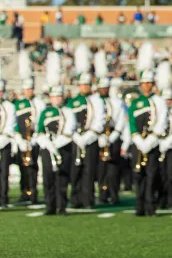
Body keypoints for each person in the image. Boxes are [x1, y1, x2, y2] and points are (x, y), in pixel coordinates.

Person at [128, 70, 168, 216]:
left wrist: (151, 140)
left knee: (151, 175)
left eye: (149, 83)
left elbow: (162, 122)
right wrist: (138, 139)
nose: (146, 85)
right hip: (137, 143)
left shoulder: (159, 101)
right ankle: (139, 206)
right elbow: (131, 122)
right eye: (144, 83)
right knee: (138, 175)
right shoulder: (135, 102)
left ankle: (151, 206)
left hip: (152, 142)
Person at [36, 85, 76, 215]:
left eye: (58, 96)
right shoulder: (45, 112)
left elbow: (69, 131)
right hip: (47, 149)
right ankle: (50, 205)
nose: (56, 99)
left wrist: (56, 144)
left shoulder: (68, 111)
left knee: (62, 177)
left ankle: (62, 206)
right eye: (54, 97)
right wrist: (47, 144)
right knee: (48, 177)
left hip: (63, 148)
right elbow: (40, 130)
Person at [67, 73, 105, 209]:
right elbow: (68, 121)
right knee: (75, 170)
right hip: (76, 140)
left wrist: (88, 137)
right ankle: (75, 198)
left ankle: (88, 199)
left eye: (87, 85)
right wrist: (76, 137)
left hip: (90, 140)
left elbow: (99, 121)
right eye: (82, 85)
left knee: (89, 170)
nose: (84, 87)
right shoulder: (72, 102)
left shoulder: (97, 101)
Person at [13, 77, 45, 203]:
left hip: (34, 140)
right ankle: (24, 191)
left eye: (30, 89)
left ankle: (33, 192)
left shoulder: (39, 103)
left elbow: (40, 122)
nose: (28, 91)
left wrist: (34, 137)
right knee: (22, 167)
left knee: (33, 167)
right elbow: (15, 123)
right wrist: (19, 139)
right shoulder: (18, 104)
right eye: (26, 89)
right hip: (22, 140)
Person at [96, 77, 127, 205]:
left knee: (113, 169)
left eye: (106, 87)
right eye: (101, 87)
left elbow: (121, 120)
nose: (104, 90)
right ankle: (102, 195)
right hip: (98, 136)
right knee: (101, 169)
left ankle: (114, 195)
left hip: (113, 135)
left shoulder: (117, 102)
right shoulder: (95, 101)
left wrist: (114, 135)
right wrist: (99, 136)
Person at [0, 79, 16, 208]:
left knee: (4, 172)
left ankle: (3, 198)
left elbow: (10, 127)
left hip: (4, 143)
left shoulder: (9, 106)